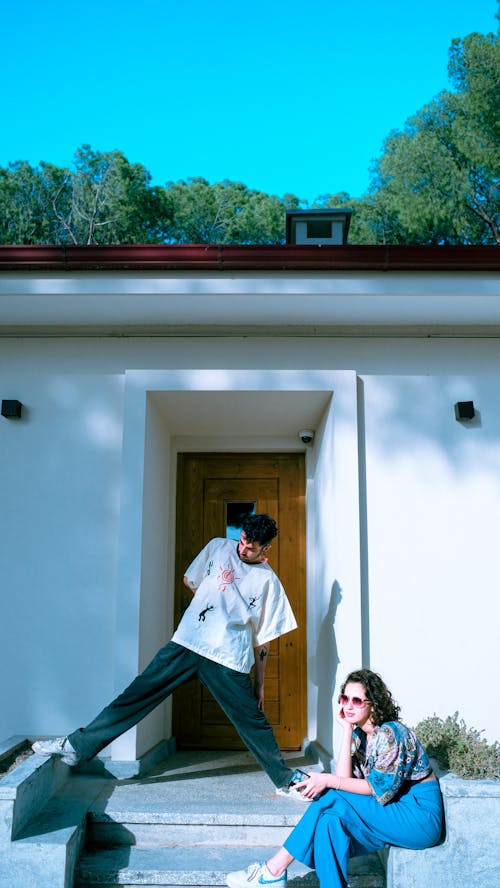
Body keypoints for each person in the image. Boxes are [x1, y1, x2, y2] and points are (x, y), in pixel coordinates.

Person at [32, 513, 304, 797]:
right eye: (244, 540)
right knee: (135, 695)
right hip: (187, 643)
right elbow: (191, 579)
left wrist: (259, 684)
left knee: (253, 722)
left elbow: (264, 639)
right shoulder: (219, 546)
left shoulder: (268, 582)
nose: (244, 549)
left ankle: (285, 781)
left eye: (252, 547)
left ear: (266, 550)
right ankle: (77, 746)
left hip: (227, 657)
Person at [226, 668, 443, 888]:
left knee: (332, 796)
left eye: (357, 701)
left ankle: (273, 871)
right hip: (392, 812)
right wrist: (347, 731)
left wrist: (328, 781)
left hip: (418, 817)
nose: (348, 705)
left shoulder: (391, 733)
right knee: (331, 821)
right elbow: (344, 781)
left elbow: (375, 790)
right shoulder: (361, 736)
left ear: (373, 704)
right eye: (344, 698)